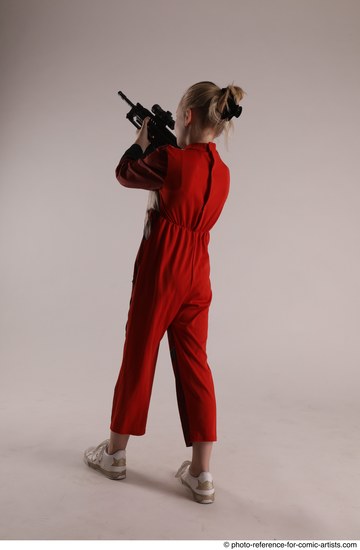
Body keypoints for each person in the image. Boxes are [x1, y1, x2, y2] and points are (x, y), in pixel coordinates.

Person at [83, 81, 245, 504]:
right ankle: (202, 474)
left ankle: (115, 454)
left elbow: (124, 174)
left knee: (140, 350)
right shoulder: (223, 172)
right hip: (199, 269)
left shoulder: (170, 159)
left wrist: (139, 142)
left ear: (188, 117)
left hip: (164, 265)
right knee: (195, 363)